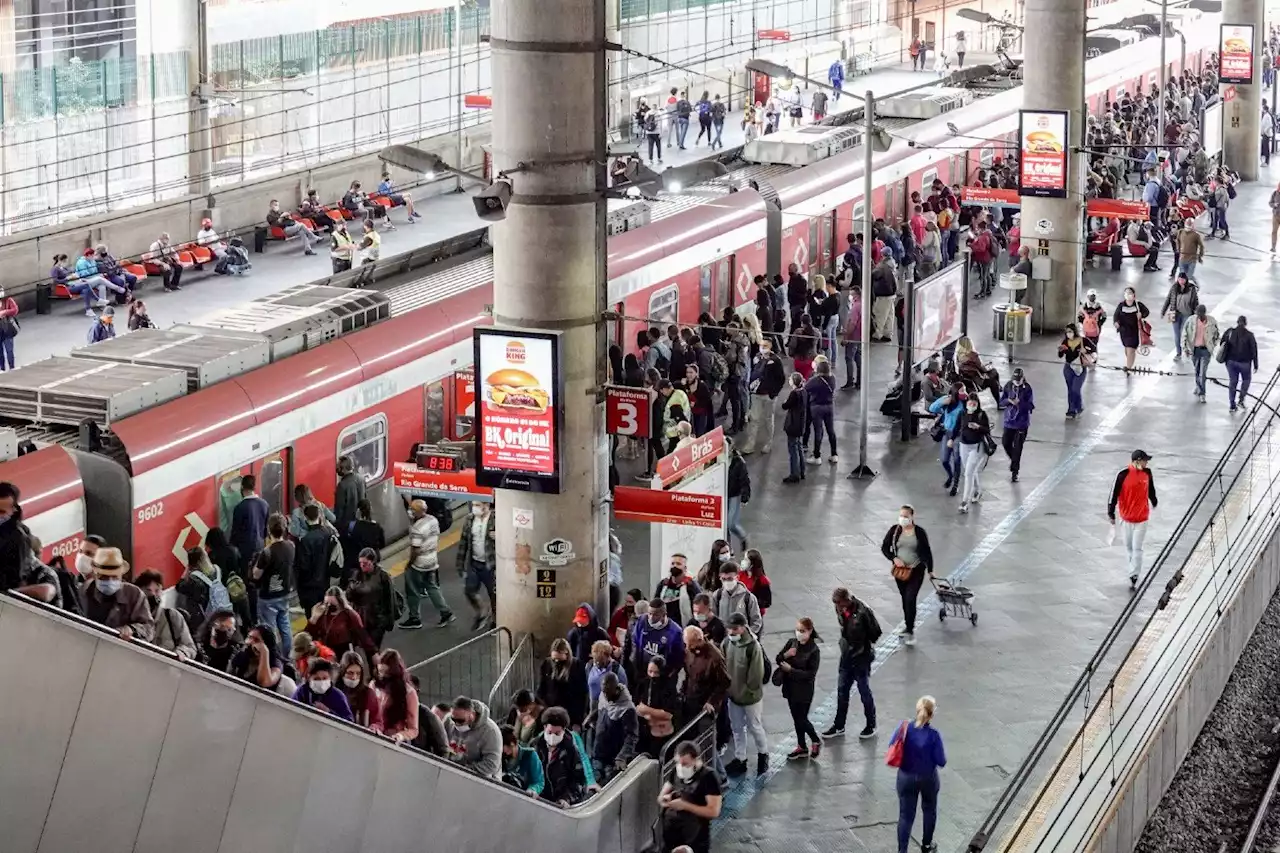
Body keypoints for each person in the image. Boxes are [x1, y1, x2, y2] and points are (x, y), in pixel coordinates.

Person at [890, 696, 947, 853]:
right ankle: (927, 845)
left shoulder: (904, 727)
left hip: (906, 777)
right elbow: (942, 761)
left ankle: (902, 850)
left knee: (905, 816)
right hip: (928, 778)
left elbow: (892, 745)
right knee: (929, 810)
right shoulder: (934, 735)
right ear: (932, 714)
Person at [825, 587, 879, 739]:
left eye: (839, 603)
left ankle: (871, 724)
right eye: (835, 604)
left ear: (846, 600)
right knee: (842, 691)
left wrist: (862, 644)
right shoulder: (841, 610)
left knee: (864, 691)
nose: (837, 607)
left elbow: (876, 632)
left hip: (861, 658)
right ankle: (839, 725)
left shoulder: (863, 611)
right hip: (847, 656)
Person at [880, 505, 934, 646]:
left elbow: (927, 552)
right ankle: (907, 623)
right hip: (900, 572)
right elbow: (885, 547)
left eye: (906, 516)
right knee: (905, 598)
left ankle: (910, 629)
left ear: (912, 517)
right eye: (901, 515)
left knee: (911, 598)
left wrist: (930, 570)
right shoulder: (895, 530)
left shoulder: (919, 532)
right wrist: (893, 558)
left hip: (916, 570)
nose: (902, 519)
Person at [659, 739, 723, 853]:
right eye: (678, 762)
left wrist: (685, 806)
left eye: (685, 764)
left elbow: (714, 811)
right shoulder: (676, 772)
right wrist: (667, 800)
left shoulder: (708, 777)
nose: (680, 766)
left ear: (696, 760)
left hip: (695, 838)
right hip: (672, 835)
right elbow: (663, 795)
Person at [1107, 449, 1159, 588]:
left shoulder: (1147, 473)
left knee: (1137, 548)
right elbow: (1114, 494)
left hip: (1142, 518)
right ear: (1137, 461)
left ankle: (1134, 573)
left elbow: (1151, 490)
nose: (1147, 462)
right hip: (1126, 518)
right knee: (1129, 547)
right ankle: (1133, 572)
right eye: (1145, 460)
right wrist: (1111, 512)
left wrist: (1154, 501)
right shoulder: (1123, 475)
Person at [78, 546, 153, 641]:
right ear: (95, 573)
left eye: (114, 577)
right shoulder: (84, 592)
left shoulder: (134, 595)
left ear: (121, 575)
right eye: (104, 577)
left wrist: (132, 629)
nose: (110, 581)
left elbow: (149, 628)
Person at [401, 498, 453, 629]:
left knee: (412, 590)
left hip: (419, 564)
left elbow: (415, 550)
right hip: (432, 560)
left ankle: (414, 618)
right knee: (431, 586)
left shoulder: (417, 529)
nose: (410, 511)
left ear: (418, 512)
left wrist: (409, 564)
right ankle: (445, 612)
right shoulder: (432, 519)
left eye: (412, 510)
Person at [777, 616, 822, 761]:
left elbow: (810, 674)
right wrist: (786, 654)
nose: (798, 633)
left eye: (802, 630)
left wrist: (791, 670)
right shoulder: (792, 643)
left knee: (801, 719)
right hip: (790, 688)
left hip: (804, 690)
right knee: (796, 719)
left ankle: (815, 739)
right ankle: (801, 746)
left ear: (809, 631)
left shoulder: (814, 651)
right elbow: (778, 658)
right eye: (797, 630)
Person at [252, 513, 295, 651]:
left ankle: (272, 656)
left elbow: (256, 575)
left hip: (268, 596)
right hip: (285, 592)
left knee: (269, 630)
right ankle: (287, 656)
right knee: (285, 627)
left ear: (269, 530)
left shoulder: (267, 552)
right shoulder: (291, 546)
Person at [534, 706, 592, 805]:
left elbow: (578, 780)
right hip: (539, 801)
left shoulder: (571, 751)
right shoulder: (535, 746)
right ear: (544, 727)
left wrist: (567, 798)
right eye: (550, 732)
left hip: (562, 804)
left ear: (564, 730)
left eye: (557, 733)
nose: (552, 736)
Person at [135, 570, 197, 658]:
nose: (153, 595)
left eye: (157, 590)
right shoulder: (130, 616)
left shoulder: (173, 617)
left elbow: (190, 647)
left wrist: (182, 652)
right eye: (148, 590)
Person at [456, 500, 496, 630]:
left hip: (491, 565)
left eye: (478, 505)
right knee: (469, 590)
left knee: (494, 595)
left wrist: (499, 536)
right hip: (474, 563)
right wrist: (460, 563)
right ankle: (482, 611)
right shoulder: (469, 519)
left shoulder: (497, 519)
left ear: (487, 505)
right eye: (474, 505)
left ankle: (496, 621)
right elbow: (464, 542)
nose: (475, 508)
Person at [740, 339, 785, 455]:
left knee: (768, 420)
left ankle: (768, 443)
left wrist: (773, 393)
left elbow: (781, 379)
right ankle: (750, 445)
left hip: (768, 395)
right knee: (754, 420)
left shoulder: (775, 361)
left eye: (765, 346)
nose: (762, 348)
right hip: (756, 394)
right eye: (761, 346)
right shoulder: (757, 358)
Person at [949, 394, 992, 514]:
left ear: (977, 404)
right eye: (970, 403)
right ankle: (978, 490)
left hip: (977, 447)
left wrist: (978, 427)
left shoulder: (981, 415)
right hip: (964, 446)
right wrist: (951, 439)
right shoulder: (962, 414)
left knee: (968, 473)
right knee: (970, 471)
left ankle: (964, 501)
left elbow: (987, 429)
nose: (971, 405)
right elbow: (956, 427)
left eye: (974, 404)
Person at [294, 502, 340, 615]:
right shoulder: (328, 533)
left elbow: (303, 567)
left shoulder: (305, 540)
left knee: (313, 617)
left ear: (305, 518)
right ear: (319, 516)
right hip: (325, 583)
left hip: (309, 588)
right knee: (324, 614)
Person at [305, 586, 375, 658]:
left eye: (332, 604)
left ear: (340, 602)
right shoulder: (321, 614)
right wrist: (314, 618)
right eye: (327, 604)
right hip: (326, 653)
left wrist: (373, 652)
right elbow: (307, 636)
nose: (329, 606)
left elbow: (362, 634)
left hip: (344, 653)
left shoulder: (349, 614)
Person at [592, 673, 638, 782]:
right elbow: (601, 713)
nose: (606, 696)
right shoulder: (603, 697)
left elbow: (632, 736)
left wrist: (622, 756)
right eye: (604, 691)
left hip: (612, 759)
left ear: (616, 689)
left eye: (608, 692)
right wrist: (591, 717)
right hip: (598, 752)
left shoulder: (627, 709)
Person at [447, 695, 503, 779]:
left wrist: (463, 770)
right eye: (454, 720)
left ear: (472, 714)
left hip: (483, 778)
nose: (456, 724)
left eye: (461, 721)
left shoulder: (490, 731)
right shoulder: (449, 722)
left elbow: (491, 764)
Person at [537, 637, 590, 728]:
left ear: (566, 654)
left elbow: (582, 693)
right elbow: (542, 687)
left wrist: (578, 720)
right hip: (550, 709)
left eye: (559, 659)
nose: (556, 662)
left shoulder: (577, 666)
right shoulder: (547, 664)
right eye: (554, 659)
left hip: (570, 712)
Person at [231, 624, 296, 697]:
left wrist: (264, 652)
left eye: (256, 640)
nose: (249, 642)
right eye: (249, 637)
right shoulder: (242, 656)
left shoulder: (275, 663)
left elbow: (264, 682)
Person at [636, 654, 679, 757]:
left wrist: (647, 710)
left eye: (656, 673)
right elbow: (637, 707)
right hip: (645, 732)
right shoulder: (643, 683)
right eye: (650, 671)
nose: (652, 675)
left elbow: (668, 714)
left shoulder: (669, 687)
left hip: (662, 736)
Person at [632, 599, 686, 681]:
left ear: (664, 614)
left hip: (663, 678)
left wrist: (669, 676)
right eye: (650, 614)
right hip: (642, 673)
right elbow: (635, 643)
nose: (651, 618)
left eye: (656, 615)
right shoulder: (642, 621)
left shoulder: (675, 632)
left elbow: (678, 660)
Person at [929, 384, 967, 496]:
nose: (964, 392)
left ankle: (955, 484)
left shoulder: (964, 402)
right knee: (944, 460)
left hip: (959, 434)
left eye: (964, 390)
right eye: (961, 390)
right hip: (947, 432)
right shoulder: (947, 399)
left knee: (956, 460)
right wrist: (942, 403)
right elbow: (932, 408)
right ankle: (950, 476)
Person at [999, 368, 1035, 482]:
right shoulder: (1008, 386)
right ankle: (1014, 461)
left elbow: (1031, 406)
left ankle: (1015, 471)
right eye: (1015, 380)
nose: (1017, 382)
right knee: (1005, 443)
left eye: (1019, 380)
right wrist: (1009, 401)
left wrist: (1020, 403)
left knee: (1018, 447)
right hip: (1009, 422)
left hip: (1021, 423)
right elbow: (1001, 401)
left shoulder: (1027, 388)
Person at [230, 474, 269, 573]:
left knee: (246, 577)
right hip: (260, 547)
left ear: (242, 487)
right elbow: (266, 530)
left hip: (244, 552)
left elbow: (235, 533)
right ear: (254, 487)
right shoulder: (264, 504)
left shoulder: (239, 507)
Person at [1220, 315, 1260, 413]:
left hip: (1231, 362)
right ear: (1245, 323)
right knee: (1246, 380)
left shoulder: (1230, 332)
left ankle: (1232, 405)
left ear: (1237, 322)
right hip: (1245, 363)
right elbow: (1254, 350)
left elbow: (1222, 343)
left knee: (1233, 381)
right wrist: (1255, 364)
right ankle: (1241, 400)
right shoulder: (1250, 335)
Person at [1183, 304, 1220, 403]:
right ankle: (1198, 386)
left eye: (1201, 313)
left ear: (1204, 313)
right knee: (1197, 371)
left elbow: (1217, 335)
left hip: (1206, 350)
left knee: (1202, 373)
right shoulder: (1191, 320)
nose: (1199, 315)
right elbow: (1185, 333)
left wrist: (1212, 345)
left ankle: (1202, 393)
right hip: (1195, 350)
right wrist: (1185, 348)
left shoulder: (1212, 321)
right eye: (1197, 313)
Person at [713, 562, 763, 636]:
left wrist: (748, 637)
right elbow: (714, 618)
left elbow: (756, 621)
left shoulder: (748, 598)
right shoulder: (717, 596)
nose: (726, 582)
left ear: (737, 577)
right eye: (723, 579)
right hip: (723, 640)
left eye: (730, 578)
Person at [1058, 324, 1096, 419]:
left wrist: (1086, 351)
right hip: (1068, 368)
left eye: (1070, 331)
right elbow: (1060, 355)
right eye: (1067, 332)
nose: (1068, 334)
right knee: (1070, 390)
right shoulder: (1065, 342)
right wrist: (1061, 350)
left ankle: (1078, 407)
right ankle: (1071, 410)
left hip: (1081, 368)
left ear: (1075, 332)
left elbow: (1094, 349)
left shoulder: (1084, 340)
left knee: (1076, 389)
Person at [805, 359, 838, 464]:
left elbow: (806, 388)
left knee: (818, 431)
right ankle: (834, 454)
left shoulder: (815, 380)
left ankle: (817, 456)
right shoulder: (833, 378)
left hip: (817, 407)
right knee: (831, 431)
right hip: (829, 406)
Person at [655, 553, 701, 627]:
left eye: (678, 564)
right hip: (664, 627)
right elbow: (656, 604)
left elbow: (698, 608)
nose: (675, 566)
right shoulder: (663, 584)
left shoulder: (691, 585)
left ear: (685, 568)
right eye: (672, 563)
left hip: (684, 627)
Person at [1161, 273, 1200, 360]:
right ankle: (1178, 353)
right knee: (1177, 334)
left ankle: (1187, 349)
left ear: (1186, 280)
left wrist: (1197, 314)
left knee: (1184, 333)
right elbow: (1168, 299)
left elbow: (1196, 302)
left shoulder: (1191, 288)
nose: (1181, 281)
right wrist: (1163, 311)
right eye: (1179, 279)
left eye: (1182, 280)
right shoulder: (1174, 287)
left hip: (1187, 314)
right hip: (1175, 314)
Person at [501, 724, 546, 795]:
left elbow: (539, 781)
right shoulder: (501, 756)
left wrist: (533, 790)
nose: (501, 750)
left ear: (512, 744)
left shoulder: (530, 755)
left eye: (503, 746)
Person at [1113, 287, 1150, 372]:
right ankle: (1129, 363)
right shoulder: (1121, 305)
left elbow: (1146, 312)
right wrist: (1116, 323)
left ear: (1134, 295)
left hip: (1134, 331)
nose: (1128, 295)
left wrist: (1141, 315)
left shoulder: (1138, 305)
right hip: (1124, 331)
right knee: (1127, 349)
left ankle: (1128, 367)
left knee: (1131, 349)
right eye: (1126, 293)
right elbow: (1116, 315)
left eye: (1130, 293)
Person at [586, 639, 628, 712]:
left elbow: (623, 696)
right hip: (593, 709)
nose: (597, 664)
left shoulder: (617, 671)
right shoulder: (589, 666)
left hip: (610, 710)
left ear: (608, 656)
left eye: (601, 661)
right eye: (596, 660)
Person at [781, 372, 808, 484]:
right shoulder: (804, 392)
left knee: (793, 450)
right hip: (800, 424)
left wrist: (784, 402)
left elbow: (785, 406)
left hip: (793, 424)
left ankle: (794, 474)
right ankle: (801, 471)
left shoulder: (794, 394)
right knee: (799, 447)